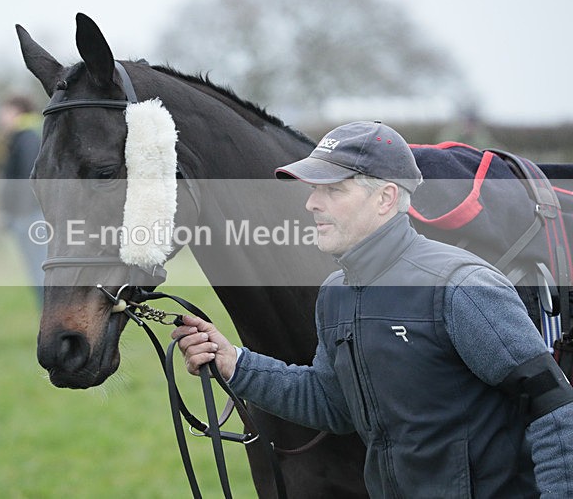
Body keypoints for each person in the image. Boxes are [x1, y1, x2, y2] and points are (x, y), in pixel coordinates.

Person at [173, 121, 573, 497]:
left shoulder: (461, 287)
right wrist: (234, 363)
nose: (312, 203)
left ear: (386, 198)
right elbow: (331, 402)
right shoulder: (336, 294)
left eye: (333, 190)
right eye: (314, 189)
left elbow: (554, 406)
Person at [0, 94, 46, 308]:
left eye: (5, 111)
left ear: (18, 111)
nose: (1, 117)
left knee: (39, 271)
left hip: (30, 216)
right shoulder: (25, 136)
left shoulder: (26, 137)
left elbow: (27, 178)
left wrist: (20, 214)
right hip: (29, 214)